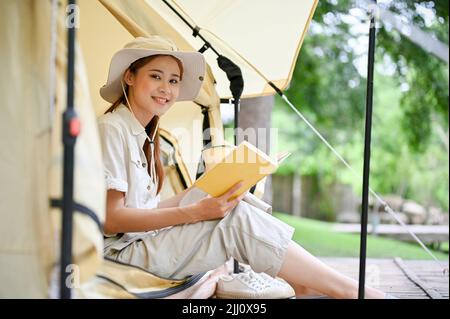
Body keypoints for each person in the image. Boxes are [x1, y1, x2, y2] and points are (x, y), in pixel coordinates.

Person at [98, 36, 389, 299]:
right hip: (123, 254)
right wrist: (193, 211)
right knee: (235, 219)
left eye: (174, 81)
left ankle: (306, 283)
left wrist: (201, 191)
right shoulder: (113, 129)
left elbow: (148, 208)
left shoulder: (144, 133)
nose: (166, 88)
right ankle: (350, 292)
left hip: (143, 242)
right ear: (130, 76)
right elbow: (112, 219)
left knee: (233, 200)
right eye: (156, 76)